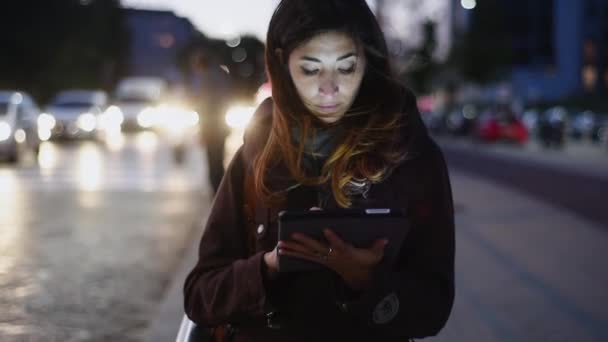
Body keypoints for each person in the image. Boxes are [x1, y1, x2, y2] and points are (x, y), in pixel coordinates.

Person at [184, 1, 455, 341]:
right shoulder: (257, 153)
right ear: (283, 67)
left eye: (346, 67)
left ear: (368, 63)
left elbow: (434, 307)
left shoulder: (410, 156)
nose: (329, 89)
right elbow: (200, 294)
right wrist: (269, 267)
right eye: (311, 69)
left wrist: (367, 283)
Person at [188, 48, 232, 194]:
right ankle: (222, 192)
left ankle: (217, 193)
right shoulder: (220, 76)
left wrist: (201, 130)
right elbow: (226, 100)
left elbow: (202, 106)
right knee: (219, 160)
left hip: (210, 127)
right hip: (220, 126)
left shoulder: (204, 79)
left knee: (213, 163)